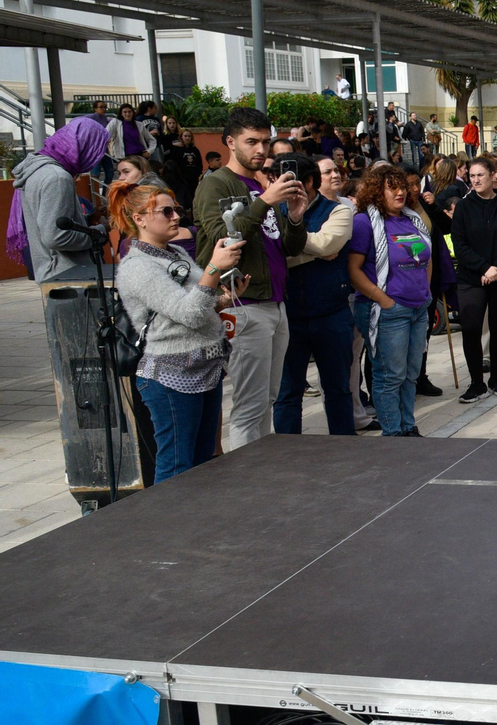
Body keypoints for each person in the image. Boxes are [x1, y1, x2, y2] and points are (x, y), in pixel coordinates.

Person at [107, 181, 243, 482]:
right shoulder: (137, 267)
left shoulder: (175, 252)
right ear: (140, 218)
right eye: (166, 211)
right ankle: (167, 528)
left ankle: (193, 525)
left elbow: (194, 306)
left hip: (204, 368)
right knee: (176, 468)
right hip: (172, 376)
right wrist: (212, 269)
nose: (176, 217)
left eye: (176, 209)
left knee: (202, 461)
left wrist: (223, 297)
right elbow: (189, 314)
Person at [194, 108, 309, 451]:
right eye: (252, 142)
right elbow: (221, 242)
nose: (261, 150)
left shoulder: (261, 185)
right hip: (242, 304)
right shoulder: (216, 183)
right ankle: (246, 482)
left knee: (267, 400)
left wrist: (296, 216)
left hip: (274, 302)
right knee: (249, 407)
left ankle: (260, 474)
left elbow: (287, 247)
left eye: (265, 142)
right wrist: (266, 202)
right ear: (230, 142)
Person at [347, 165, 433, 437]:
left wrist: (424, 291)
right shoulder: (364, 222)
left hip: (418, 308)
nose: (400, 192)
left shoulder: (412, 219)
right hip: (388, 310)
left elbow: (425, 259)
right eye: (392, 187)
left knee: (410, 374)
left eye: (402, 187)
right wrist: (384, 301)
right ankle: (392, 434)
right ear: (376, 191)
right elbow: (352, 270)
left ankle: (408, 427)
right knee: (389, 375)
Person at [275, 153, 356, 436]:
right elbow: (317, 248)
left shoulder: (339, 211)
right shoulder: (273, 214)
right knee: (287, 393)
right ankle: (288, 453)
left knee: (337, 389)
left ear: (308, 181)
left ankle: (344, 449)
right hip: (287, 315)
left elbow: (327, 244)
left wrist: (287, 247)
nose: (281, 186)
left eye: (289, 180)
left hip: (331, 314)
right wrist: (313, 250)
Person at [452, 157, 497, 402]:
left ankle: (496, 377)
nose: (475, 180)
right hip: (472, 277)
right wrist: (484, 268)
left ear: (493, 176)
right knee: (471, 328)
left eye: (480, 175)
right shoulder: (463, 206)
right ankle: (476, 382)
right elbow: (460, 244)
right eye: (471, 176)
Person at [7, 118, 112, 282]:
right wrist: (99, 231)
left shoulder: (39, 171)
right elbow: (56, 237)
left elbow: (49, 222)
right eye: (98, 150)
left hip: (56, 275)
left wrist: (87, 221)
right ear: (85, 147)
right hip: (69, 277)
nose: (98, 157)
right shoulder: (58, 178)